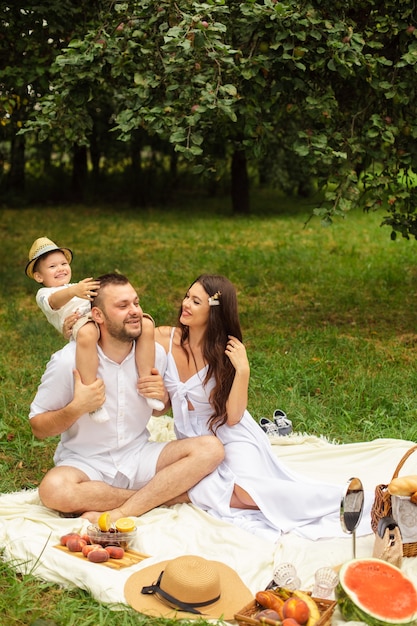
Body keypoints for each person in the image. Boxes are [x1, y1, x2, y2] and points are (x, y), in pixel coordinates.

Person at [155, 274, 372, 540]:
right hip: (195, 442)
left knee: (246, 491)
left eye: (196, 301)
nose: (185, 304)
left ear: (213, 313)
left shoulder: (226, 353)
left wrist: (243, 370)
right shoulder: (165, 338)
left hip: (231, 434)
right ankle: (331, 500)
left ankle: (343, 498)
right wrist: (86, 302)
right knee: (223, 491)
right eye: (187, 296)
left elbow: (233, 417)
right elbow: (128, 328)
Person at [29, 272, 224, 522]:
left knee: (211, 449)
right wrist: (77, 407)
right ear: (97, 315)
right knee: (54, 490)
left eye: (136, 303)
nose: (135, 312)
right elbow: (38, 427)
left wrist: (161, 397)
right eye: (122, 306)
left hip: (139, 455)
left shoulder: (154, 354)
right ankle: (163, 497)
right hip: (86, 463)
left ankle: (122, 503)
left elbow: (158, 409)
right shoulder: (68, 361)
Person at [26, 237, 164, 423]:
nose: (60, 269)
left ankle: (148, 384)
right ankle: (92, 397)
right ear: (39, 276)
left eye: (63, 263)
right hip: (81, 322)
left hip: (98, 315)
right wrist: (75, 291)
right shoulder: (45, 294)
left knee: (147, 324)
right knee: (87, 334)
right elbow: (54, 302)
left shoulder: (75, 286)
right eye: (52, 267)